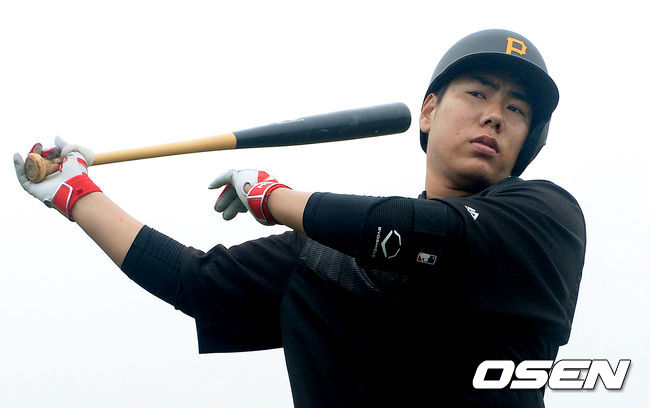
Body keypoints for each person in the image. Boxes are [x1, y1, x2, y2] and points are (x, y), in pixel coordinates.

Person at [14, 29, 585, 407]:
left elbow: (428, 233)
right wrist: (75, 194)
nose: (494, 116)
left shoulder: (543, 218)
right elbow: (196, 281)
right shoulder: (323, 255)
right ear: (430, 112)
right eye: (478, 94)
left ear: (527, 140)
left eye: (515, 108)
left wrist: (275, 198)